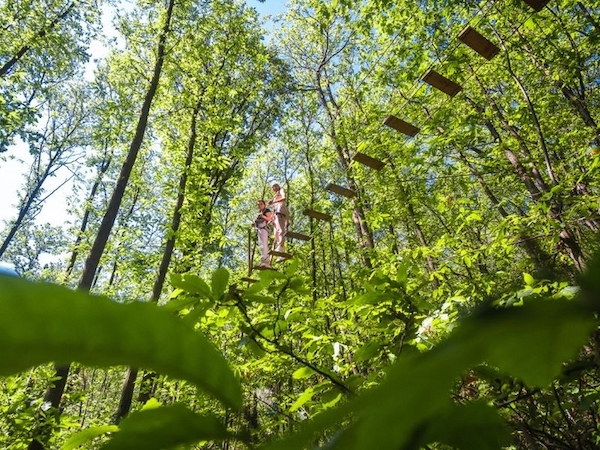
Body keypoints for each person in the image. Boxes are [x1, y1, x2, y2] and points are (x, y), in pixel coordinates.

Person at [268, 183, 289, 255]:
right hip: (276, 214)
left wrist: (273, 201)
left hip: (280, 212)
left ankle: (281, 246)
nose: (273, 188)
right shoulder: (275, 196)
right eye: (272, 187)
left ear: (277, 186)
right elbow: (274, 208)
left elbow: (284, 198)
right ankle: (280, 251)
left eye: (274, 186)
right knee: (276, 233)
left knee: (280, 230)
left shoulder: (281, 190)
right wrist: (271, 218)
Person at [254, 199, 273, 268]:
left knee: (263, 245)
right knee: (261, 245)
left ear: (264, 205)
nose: (259, 206)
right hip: (260, 229)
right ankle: (264, 261)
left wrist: (263, 216)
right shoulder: (261, 212)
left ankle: (265, 261)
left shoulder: (266, 211)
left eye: (261, 204)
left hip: (264, 229)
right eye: (258, 205)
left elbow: (270, 218)